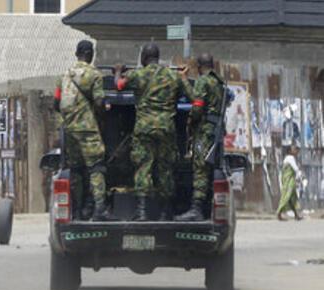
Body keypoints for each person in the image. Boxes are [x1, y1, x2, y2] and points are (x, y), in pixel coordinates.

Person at [115, 43, 190, 221]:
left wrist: (118, 71)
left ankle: (142, 212)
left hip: (144, 129)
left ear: (143, 58)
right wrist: (183, 77)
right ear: (158, 57)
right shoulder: (172, 76)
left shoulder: (137, 74)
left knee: (143, 167)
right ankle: (165, 212)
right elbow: (193, 97)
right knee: (165, 168)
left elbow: (118, 85)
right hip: (166, 129)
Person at [54, 40, 116, 221]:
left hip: (69, 129)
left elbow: (56, 103)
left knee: (76, 170)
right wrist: (102, 116)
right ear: (91, 55)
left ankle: (78, 210)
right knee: (96, 166)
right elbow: (98, 101)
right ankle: (99, 209)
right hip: (87, 129)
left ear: (76, 54)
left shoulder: (64, 76)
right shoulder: (94, 75)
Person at [176, 53, 226, 222]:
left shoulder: (204, 81)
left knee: (199, 169)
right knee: (208, 169)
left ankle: (196, 208)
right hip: (214, 132)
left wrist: (190, 121)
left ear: (199, 67)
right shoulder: (220, 83)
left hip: (204, 132)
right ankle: (203, 207)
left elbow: (197, 106)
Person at [276, 144, 304, 221]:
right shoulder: (290, 158)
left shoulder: (287, 158)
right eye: (294, 149)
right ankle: (279, 213)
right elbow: (295, 168)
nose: (296, 151)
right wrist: (302, 177)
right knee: (286, 197)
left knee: (293, 198)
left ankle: (296, 215)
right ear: (290, 151)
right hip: (289, 182)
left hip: (288, 180)